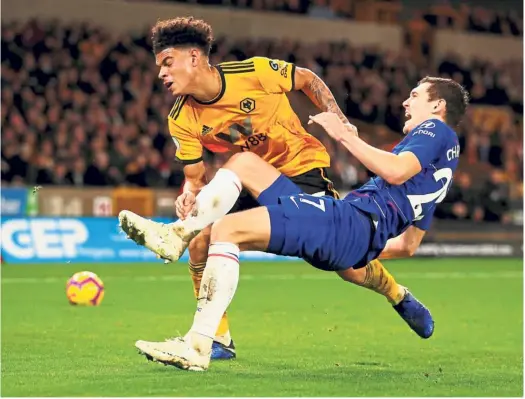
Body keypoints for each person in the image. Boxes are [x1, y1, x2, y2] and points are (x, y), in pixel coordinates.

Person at [121, 76, 469, 371]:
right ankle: (179, 235)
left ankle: (197, 344)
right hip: (349, 228)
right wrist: (363, 247)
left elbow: (394, 170)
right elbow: (408, 246)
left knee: (227, 230)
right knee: (243, 162)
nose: (406, 103)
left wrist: (344, 135)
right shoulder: (439, 174)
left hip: (348, 223)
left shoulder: (435, 129)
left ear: (438, 107)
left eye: (415, 96)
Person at [136, 16, 413, 360]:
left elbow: (307, 80)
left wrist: (339, 120)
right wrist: (189, 197)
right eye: (159, 66)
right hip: (251, 182)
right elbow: (195, 180)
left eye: (167, 62)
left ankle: (397, 293)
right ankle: (217, 338)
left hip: (302, 170)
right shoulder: (181, 119)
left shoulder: (252, 72)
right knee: (202, 239)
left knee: (347, 264)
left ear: (194, 57)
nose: (161, 73)